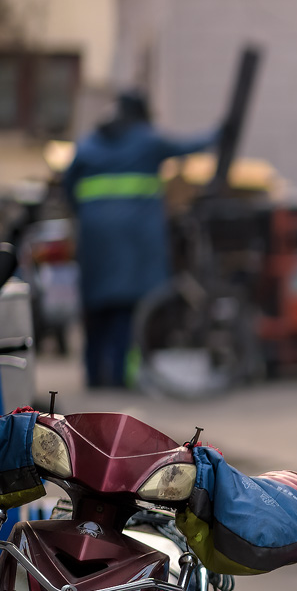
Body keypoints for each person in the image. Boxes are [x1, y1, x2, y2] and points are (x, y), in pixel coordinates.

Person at [62, 91, 219, 388]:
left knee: (96, 309)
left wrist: (87, 213)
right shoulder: (147, 141)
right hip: (134, 240)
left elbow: (67, 186)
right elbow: (189, 145)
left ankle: (94, 376)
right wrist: (221, 131)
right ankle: (118, 377)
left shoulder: (87, 144)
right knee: (125, 307)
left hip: (95, 238)